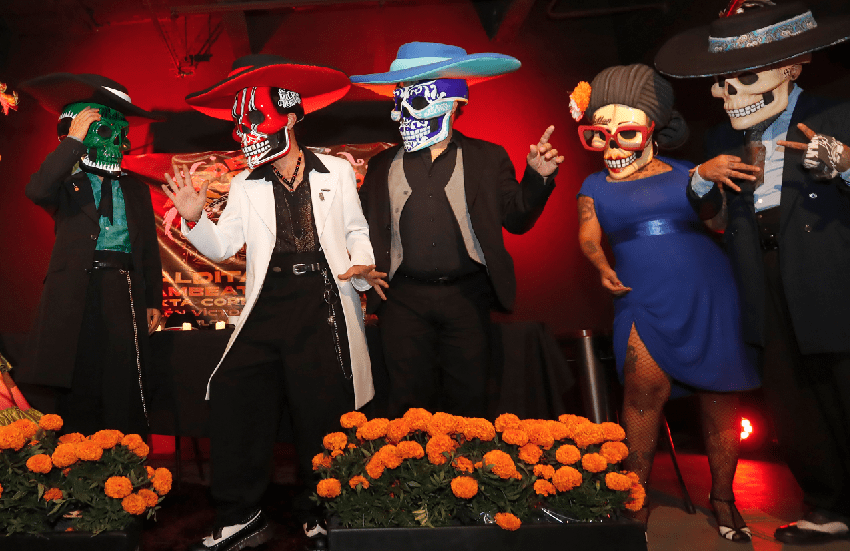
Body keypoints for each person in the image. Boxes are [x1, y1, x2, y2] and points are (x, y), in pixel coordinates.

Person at [163, 54, 386, 551]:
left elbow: (356, 230)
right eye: (240, 125)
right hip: (268, 300)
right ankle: (240, 515)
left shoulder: (337, 172)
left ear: (289, 117)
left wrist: (362, 264)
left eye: (254, 120)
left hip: (322, 298)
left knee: (322, 411)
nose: (245, 134)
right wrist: (196, 218)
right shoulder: (246, 183)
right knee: (234, 393)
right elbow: (223, 246)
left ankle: (323, 511)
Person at [656, 1, 850, 544]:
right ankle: (827, 505)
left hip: (829, 270)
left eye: (745, 78)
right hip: (761, 275)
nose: (728, 94)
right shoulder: (722, 139)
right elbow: (714, 218)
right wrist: (700, 180)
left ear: (791, 68)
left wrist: (845, 163)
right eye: (721, 83)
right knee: (792, 397)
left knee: (843, 380)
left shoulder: (838, 115)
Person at [574, 64, 760, 541]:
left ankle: (724, 498)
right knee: (641, 395)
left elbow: (718, 223)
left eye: (626, 134)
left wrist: (704, 183)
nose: (612, 148)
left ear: (653, 129)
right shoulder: (593, 187)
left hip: (707, 292)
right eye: (598, 136)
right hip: (640, 298)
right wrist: (600, 264)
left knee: (720, 395)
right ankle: (634, 501)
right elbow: (589, 235)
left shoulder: (690, 173)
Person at [350, 42, 563, 418]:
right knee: (408, 403)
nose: (401, 115)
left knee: (470, 398)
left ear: (449, 105)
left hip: (467, 296)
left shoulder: (487, 158)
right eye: (398, 103)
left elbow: (517, 220)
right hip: (402, 300)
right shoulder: (382, 164)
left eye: (414, 103)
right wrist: (360, 264)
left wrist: (537, 179)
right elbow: (360, 226)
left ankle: (469, 458)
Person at [18, 73, 163, 436]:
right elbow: (36, 189)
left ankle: (125, 454)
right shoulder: (67, 184)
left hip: (123, 285)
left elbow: (147, 248)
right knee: (76, 373)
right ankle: (77, 456)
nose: (116, 141)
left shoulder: (135, 189)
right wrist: (73, 141)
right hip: (75, 289)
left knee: (123, 374)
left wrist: (153, 300)